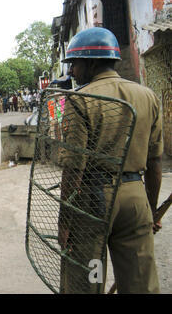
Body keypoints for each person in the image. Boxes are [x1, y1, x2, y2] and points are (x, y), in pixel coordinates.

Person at [58, 27, 163, 294]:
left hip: (94, 201)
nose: (72, 72)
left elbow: (74, 169)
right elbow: (155, 161)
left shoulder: (80, 99)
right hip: (135, 198)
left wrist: (65, 222)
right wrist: (150, 209)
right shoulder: (148, 96)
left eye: (75, 64)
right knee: (140, 280)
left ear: (91, 62)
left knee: (88, 277)